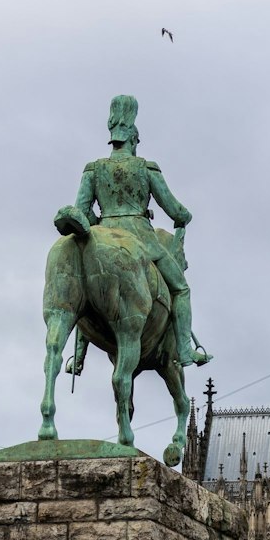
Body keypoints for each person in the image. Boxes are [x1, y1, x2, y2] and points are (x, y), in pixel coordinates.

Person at [54, 94, 212, 365]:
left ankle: (78, 356)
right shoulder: (146, 168)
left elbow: (83, 210)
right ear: (134, 140)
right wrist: (184, 218)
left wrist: (100, 220)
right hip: (141, 239)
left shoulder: (93, 169)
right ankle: (185, 350)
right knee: (182, 289)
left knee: (84, 284)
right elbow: (176, 210)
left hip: (101, 233)